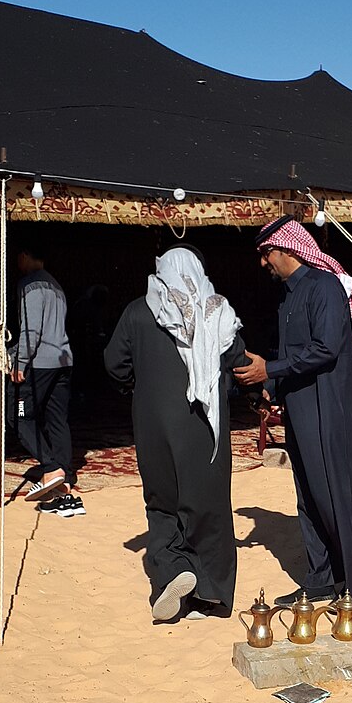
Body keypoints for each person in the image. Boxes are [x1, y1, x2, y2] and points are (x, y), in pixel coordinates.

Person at [236, 216, 352, 606]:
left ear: (286, 249)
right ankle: (320, 581)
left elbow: (326, 348)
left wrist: (271, 369)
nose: (263, 263)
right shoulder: (288, 296)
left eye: (266, 254)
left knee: (335, 495)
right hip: (300, 409)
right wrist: (270, 385)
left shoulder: (324, 287)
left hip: (329, 408)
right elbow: (292, 354)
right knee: (308, 496)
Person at [105, 245, 246, 621]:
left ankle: (172, 569)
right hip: (203, 425)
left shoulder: (138, 311)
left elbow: (114, 364)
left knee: (161, 503)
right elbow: (240, 359)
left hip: (152, 423)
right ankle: (209, 593)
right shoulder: (216, 311)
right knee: (208, 506)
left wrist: (142, 384)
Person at [0, 241, 78, 513]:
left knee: (18, 416)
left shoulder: (30, 285)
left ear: (23, 255)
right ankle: (64, 474)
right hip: (62, 360)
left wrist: (17, 360)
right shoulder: (56, 285)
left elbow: (31, 330)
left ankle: (52, 467)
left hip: (38, 363)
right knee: (56, 418)